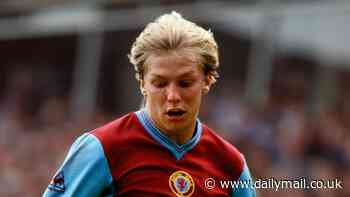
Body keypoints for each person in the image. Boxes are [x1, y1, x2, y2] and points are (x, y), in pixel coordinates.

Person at [43, 11, 256, 197]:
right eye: (160, 83)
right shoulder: (103, 149)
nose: (172, 95)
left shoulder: (231, 165)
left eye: (185, 83)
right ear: (142, 83)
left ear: (207, 80)